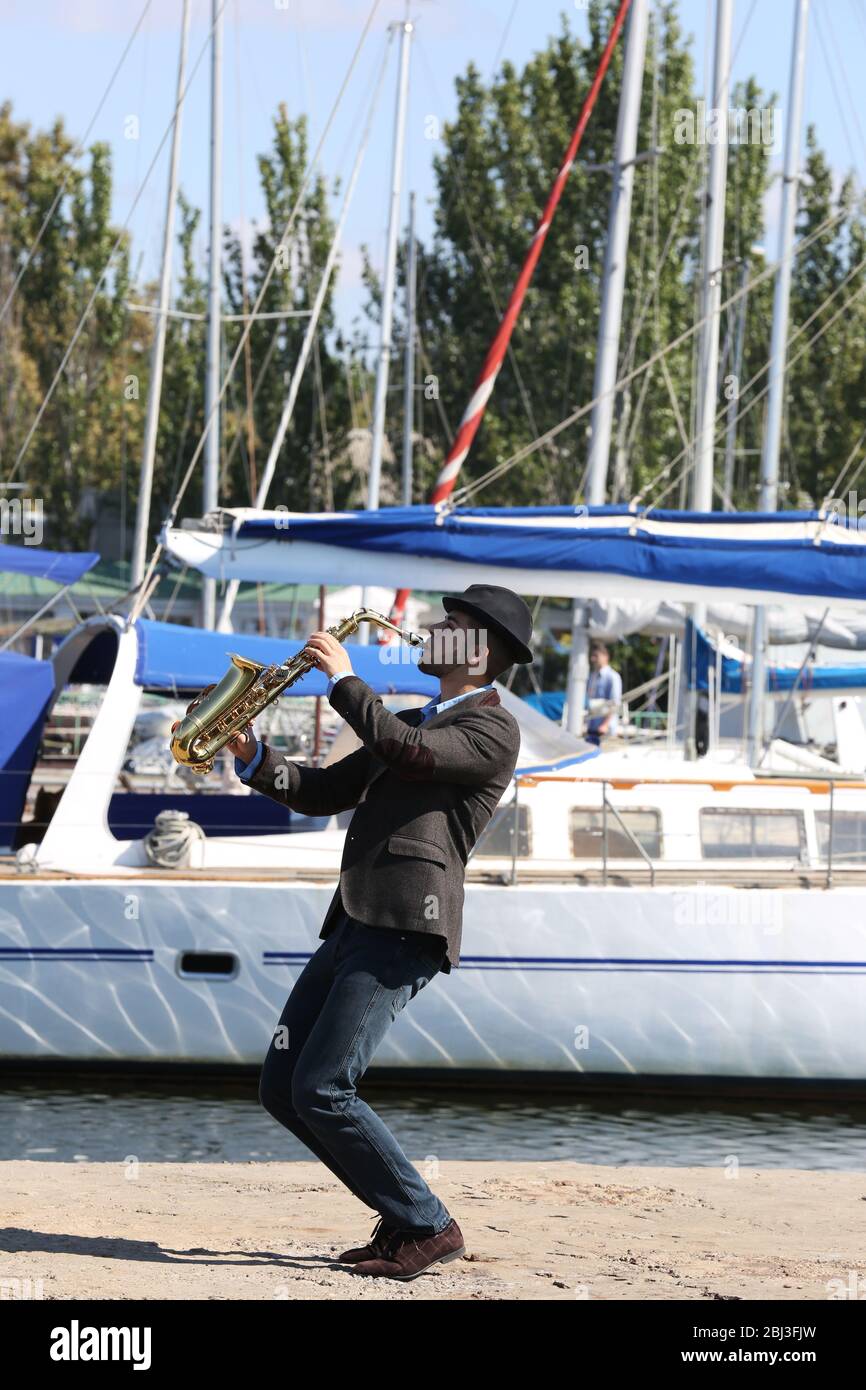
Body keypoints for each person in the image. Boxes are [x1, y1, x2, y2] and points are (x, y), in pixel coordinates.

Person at [224, 584, 532, 1280]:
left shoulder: (490, 728)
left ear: (480, 651)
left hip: (405, 925)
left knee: (325, 1087)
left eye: (450, 626)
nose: (431, 630)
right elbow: (327, 791)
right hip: (358, 919)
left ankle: (427, 1224)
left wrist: (343, 679)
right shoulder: (414, 718)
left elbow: (413, 753)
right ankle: (402, 1220)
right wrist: (253, 755)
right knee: (284, 1085)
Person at [585, 640, 622, 746]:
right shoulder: (592, 676)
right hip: (591, 728)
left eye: (596, 656)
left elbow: (614, 703)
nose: (593, 659)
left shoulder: (613, 677)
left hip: (604, 730)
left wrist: (605, 725)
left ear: (605, 656)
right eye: (592, 656)